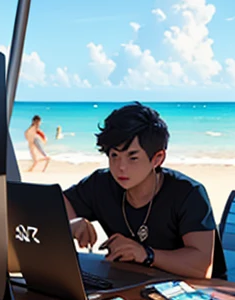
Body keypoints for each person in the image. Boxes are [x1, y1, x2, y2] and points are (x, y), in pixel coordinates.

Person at [63, 103, 224, 279]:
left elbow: (202, 268)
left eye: (133, 158)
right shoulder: (101, 184)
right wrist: (72, 223)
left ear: (157, 159)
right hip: (129, 283)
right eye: (114, 155)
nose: (121, 167)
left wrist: (146, 254)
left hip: (195, 294)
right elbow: (54, 205)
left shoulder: (189, 193)